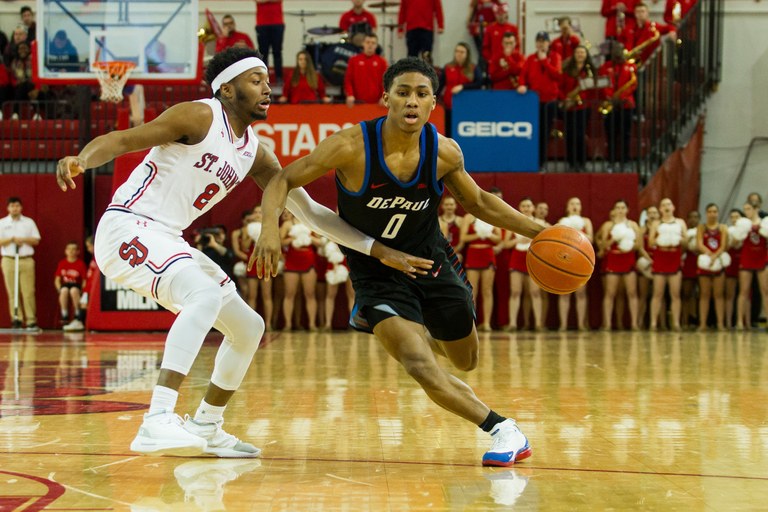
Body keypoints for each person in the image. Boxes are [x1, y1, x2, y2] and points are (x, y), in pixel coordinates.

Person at [55, 47, 431, 458]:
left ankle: (207, 424)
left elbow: (311, 212)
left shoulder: (254, 149)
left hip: (168, 237)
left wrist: (378, 250)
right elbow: (125, 139)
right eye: (257, 81)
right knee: (204, 295)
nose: (268, 88)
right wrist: (82, 159)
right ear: (228, 89)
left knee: (248, 327)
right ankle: (157, 420)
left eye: (268, 80)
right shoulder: (199, 115)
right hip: (128, 225)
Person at [253, 57, 545, 467]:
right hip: (376, 273)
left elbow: (478, 202)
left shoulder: (444, 152)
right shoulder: (350, 145)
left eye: (421, 94)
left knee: (465, 361)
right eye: (403, 92)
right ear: (385, 97)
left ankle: (418, 330)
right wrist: (269, 228)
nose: (412, 101)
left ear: (432, 104)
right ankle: (503, 429)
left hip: (432, 262)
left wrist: (541, 233)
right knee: (419, 364)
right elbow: (282, 178)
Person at [516, 31, 561, 172]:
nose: (541, 43)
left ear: (548, 43)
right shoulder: (530, 59)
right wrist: (522, 84)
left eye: (544, 41)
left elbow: (557, 75)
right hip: (534, 102)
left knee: (545, 132)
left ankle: (541, 163)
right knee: (534, 133)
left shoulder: (555, 57)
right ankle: (532, 161)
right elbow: (523, 75)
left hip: (549, 101)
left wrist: (543, 61)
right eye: (539, 41)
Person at [596, 199, 641, 330]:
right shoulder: (608, 225)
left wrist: (628, 245)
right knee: (610, 292)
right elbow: (603, 245)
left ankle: (634, 323)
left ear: (627, 210)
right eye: (618, 208)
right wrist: (614, 239)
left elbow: (639, 245)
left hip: (628, 259)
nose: (620, 210)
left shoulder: (633, 225)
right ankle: (608, 324)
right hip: (613, 259)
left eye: (623, 208)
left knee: (632, 292)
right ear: (614, 210)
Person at [503, 198, 544, 331]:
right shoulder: (513, 223)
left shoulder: (539, 224)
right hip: (517, 258)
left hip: (534, 258)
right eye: (523, 206)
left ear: (533, 208)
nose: (526, 208)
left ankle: (538, 323)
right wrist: (518, 240)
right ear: (519, 208)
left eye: (528, 206)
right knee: (515, 291)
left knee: (535, 292)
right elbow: (506, 244)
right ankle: (513, 323)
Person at [0, 196, 40, 330]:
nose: (14, 208)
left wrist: (22, 240)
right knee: (12, 291)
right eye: (12, 206)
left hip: (25, 259)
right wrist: (11, 239)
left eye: (17, 206)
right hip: (9, 259)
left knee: (28, 291)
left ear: (21, 207)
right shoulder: (2, 223)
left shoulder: (28, 222)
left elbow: (36, 240)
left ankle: (31, 320)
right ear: (8, 208)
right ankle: (16, 318)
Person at [648, 198, 687, 330]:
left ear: (673, 207)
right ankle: (653, 323)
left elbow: (686, 240)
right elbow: (650, 242)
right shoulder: (656, 223)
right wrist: (661, 239)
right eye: (663, 205)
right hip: (661, 258)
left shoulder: (680, 222)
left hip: (674, 257)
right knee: (657, 293)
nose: (666, 207)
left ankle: (676, 323)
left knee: (675, 293)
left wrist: (679, 239)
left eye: (669, 204)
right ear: (660, 209)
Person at [460, 211, 502, 332]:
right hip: (473, 254)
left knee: (487, 290)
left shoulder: (492, 215)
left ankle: (487, 323)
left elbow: (499, 239)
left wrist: (488, 234)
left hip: (488, 255)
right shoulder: (468, 217)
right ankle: (472, 322)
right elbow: (464, 237)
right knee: (472, 291)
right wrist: (479, 234)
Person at [598, 41, 637, 173]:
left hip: (626, 104)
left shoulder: (630, 66)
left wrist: (621, 97)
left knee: (625, 134)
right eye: (615, 51)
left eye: (619, 50)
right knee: (611, 135)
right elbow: (603, 83)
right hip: (610, 104)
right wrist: (610, 96)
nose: (617, 53)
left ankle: (625, 161)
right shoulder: (605, 67)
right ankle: (611, 161)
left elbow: (633, 85)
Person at [557, 197, 594, 331]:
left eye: (577, 203)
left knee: (581, 293)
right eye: (572, 203)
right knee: (564, 293)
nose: (575, 206)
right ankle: (563, 325)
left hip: (580, 259)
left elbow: (590, 238)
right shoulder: (562, 222)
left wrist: (576, 233)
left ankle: (581, 324)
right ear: (567, 207)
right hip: (565, 259)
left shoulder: (586, 221)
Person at [279, 211, 320, 331]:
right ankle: (288, 324)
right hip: (292, 260)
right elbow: (279, 242)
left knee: (310, 293)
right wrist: (292, 238)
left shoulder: (310, 223)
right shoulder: (287, 224)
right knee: (289, 294)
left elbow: (320, 242)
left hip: (308, 259)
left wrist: (309, 238)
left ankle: (312, 324)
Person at [560, 45, 597, 172]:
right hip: (570, 107)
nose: (580, 55)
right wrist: (566, 98)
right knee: (570, 135)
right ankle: (571, 162)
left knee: (580, 135)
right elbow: (561, 86)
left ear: (586, 55)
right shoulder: (567, 70)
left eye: (582, 52)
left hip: (584, 107)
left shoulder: (589, 71)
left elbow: (593, 90)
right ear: (574, 55)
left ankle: (581, 162)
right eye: (578, 52)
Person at [438, 42, 482, 136]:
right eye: (457, 51)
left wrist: (463, 87)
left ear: (467, 54)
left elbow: (479, 83)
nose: (459, 54)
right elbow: (440, 85)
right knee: (449, 133)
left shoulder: (473, 68)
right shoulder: (448, 67)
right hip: (449, 106)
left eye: (462, 52)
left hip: (466, 107)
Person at [736, 202, 768, 330]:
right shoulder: (743, 224)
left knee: (765, 291)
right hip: (747, 258)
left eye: (748, 209)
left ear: (756, 209)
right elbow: (736, 241)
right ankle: (739, 321)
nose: (746, 211)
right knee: (744, 291)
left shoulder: (764, 223)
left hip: (762, 258)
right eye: (744, 209)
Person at [696, 203, 727, 330]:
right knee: (704, 294)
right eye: (710, 211)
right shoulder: (701, 227)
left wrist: (715, 257)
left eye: (715, 211)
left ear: (718, 213)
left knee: (718, 295)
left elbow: (723, 245)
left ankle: (720, 324)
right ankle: (702, 324)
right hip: (705, 263)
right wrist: (708, 255)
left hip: (718, 262)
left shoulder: (723, 227)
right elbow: (699, 243)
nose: (712, 214)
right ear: (706, 213)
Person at [344, 33, 387, 107]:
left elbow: (386, 82)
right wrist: (350, 95)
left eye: (373, 43)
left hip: (377, 104)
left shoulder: (382, 62)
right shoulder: (354, 60)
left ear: (376, 45)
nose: (370, 45)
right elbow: (348, 80)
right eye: (368, 42)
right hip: (357, 103)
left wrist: (384, 96)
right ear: (363, 44)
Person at [54, 241, 88, 331]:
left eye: (74, 249)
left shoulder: (80, 264)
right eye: (69, 249)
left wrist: (82, 290)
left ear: (78, 251)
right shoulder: (62, 263)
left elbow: (84, 279)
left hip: (76, 285)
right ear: (66, 251)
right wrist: (58, 289)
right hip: (65, 285)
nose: (71, 251)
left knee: (73, 290)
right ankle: (64, 314)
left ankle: (77, 312)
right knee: (64, 290)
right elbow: (57, 279)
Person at [255, 0, 284, 84]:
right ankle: (263, 78)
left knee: (277, 52)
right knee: (263, 53)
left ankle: (279, 78)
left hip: (277, 23)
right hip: (262, 23)